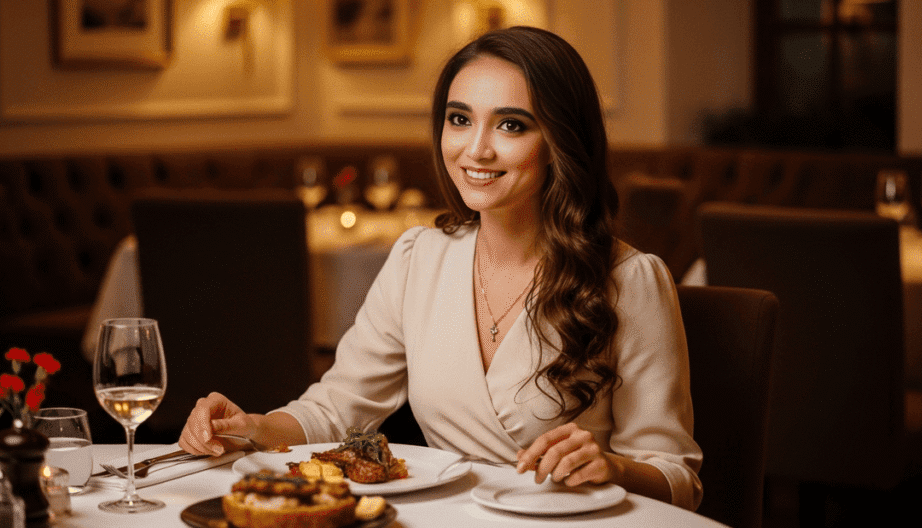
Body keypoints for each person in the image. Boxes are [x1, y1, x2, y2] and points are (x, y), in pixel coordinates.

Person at [178, 26, 702, 509]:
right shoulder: (419, 257)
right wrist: (252, 426)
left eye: (511, 125)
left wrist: (612, 468)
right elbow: (336, 409)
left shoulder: (630, 280)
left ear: (560, 144)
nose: (476, 150)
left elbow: (679, 478)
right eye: (459, 119)